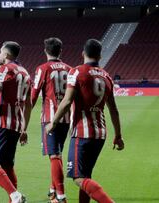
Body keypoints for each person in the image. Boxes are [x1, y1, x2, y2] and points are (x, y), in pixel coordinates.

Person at [46, 39, 125, 203]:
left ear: (83, 53)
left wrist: (53, 122)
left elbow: (67, 101)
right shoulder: (107, 77)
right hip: (100, 133)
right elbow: (114, 110)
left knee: (77, 177)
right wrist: (118, 135)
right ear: (100, 56)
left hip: (82, 133)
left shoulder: (77, 72)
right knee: (86, 175)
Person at [0, 41, 31, 203]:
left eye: (1, 52)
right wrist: (24, 128)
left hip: (2, 122)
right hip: (17, 125)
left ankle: (15, 195)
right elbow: (28, 104)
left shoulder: (4, 69)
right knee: (7, 165)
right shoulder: (25, 73)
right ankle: (14, 199)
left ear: (7, 55)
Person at [31, 38, 72, 203]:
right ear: (60, 51)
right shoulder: (70, 69)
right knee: (57, 154)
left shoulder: (43, 68)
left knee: (54, 155)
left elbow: (33, 95)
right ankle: (53, 190)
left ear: (45, 50)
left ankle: (61, 196)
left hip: (49, 119)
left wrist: (24, 117)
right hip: (66, 117)